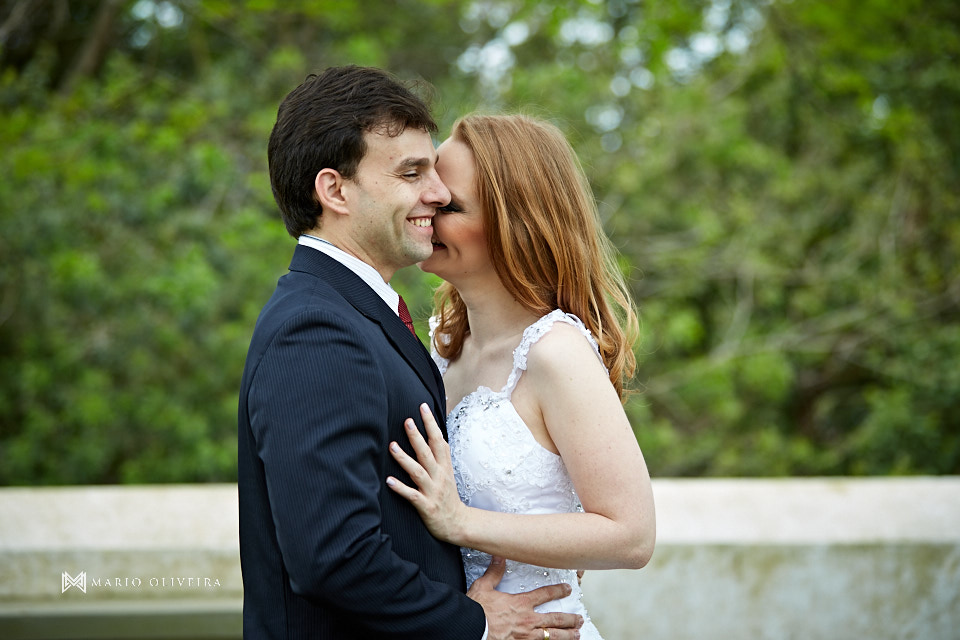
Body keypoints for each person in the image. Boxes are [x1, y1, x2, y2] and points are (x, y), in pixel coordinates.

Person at [237, 68, 584, 639]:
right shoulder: (317, 330)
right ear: (335, 190)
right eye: (410, 173)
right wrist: (472, 623)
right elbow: (334, 554)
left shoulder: (357, 313)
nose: (440, 193)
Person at [385, 114, 657, 640]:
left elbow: (631, 536)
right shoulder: (441, 341)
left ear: (516, 226)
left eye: (450, 205)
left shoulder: (555, 353)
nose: (426, 209)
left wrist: (462, 522)